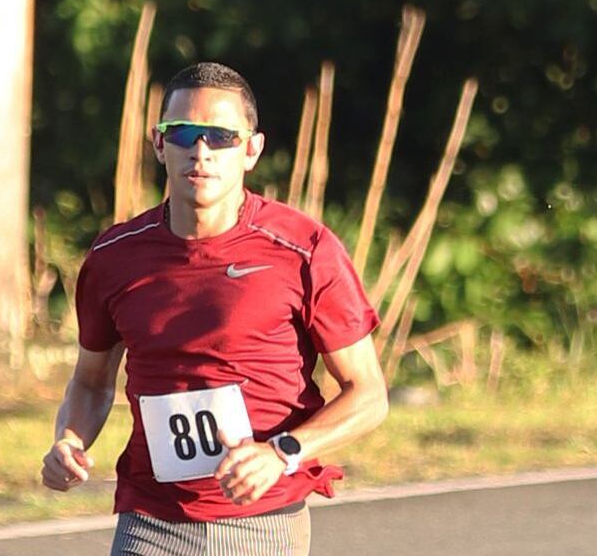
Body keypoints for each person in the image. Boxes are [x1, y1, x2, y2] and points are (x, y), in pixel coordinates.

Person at [40, 62, 388, 555]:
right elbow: (91, 382)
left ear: (251, 149)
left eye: (221, 136)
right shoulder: (115, 256)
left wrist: (282, 453)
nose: (200, 152)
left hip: (263, 518)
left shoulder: (305, 248)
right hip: (150, 520)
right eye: (182, 132)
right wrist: (69, 441)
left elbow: (368, 394)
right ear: (159, 145)